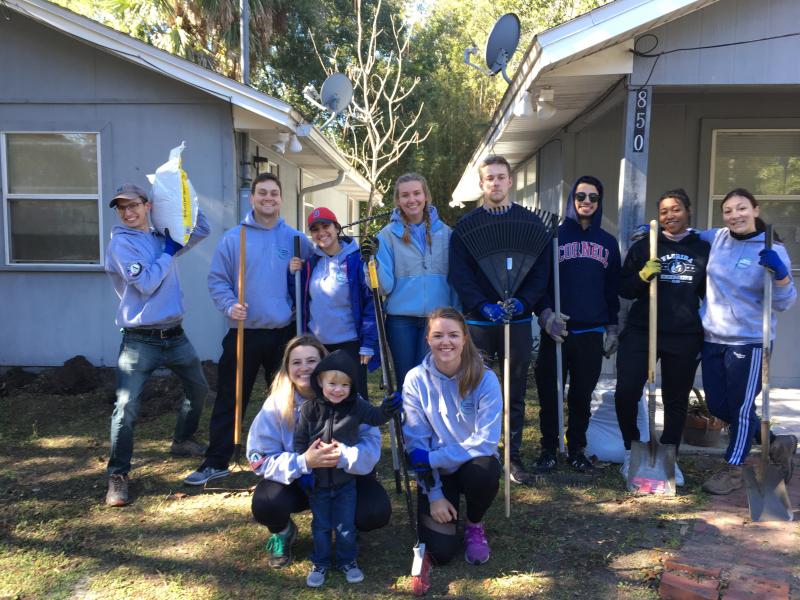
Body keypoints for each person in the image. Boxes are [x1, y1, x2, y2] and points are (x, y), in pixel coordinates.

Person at [185, 173, 312, 486]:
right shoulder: (234, 239)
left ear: (281, 199)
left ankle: (291, 457)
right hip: (245, 332)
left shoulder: (296, 240)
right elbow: (217, 280)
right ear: (252, 198)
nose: (268, 198)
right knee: (231, 397)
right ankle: (217, 460)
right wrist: (230, 305)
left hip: (284, 333)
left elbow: (319, 268)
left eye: (274, 193)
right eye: (262, 193)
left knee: (288, 398)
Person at [104, 182, 210, 507]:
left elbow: (202, 229)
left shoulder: (161, 236)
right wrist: (167, 251)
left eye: (133, 205)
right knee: (126, 408)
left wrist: (183, 193)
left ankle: (182, 440)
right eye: (122, 208)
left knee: (199, 389)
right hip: (140, 340)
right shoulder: (121, 245)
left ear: (147, 206)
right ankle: (118, 475)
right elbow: (147, 283)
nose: (128, 212)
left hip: (174, 335)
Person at [247, 336, 392, 571]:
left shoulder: (349, 398)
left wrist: (344, 456)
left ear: (325, 366)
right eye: (296, 362)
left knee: (375, 511)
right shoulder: (275, 405)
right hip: (301, 482)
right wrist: (303, 462)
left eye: (312, 361)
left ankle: (347, 529)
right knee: (267, 503)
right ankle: (282, 532)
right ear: (287, 368)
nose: (304, 367)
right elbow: (260, 459)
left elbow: (372, 444)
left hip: (345, 480)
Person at [448, 154, 551, 484]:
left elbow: (541, 272)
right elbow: (459, 274)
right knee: (475, 388)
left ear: (510, 181)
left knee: (514, 389)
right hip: (479, 323)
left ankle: (512, 456)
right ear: (482, 184)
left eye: (500, 177)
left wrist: (524, 302)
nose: (495, 182)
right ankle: (481, 453)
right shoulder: (467, 227)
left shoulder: (530, 224)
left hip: (516, 323)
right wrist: (481, 305)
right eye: (489, 178)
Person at [699, 188, 797, 495]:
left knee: (741, 408)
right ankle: (778, 443)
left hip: (750, 341)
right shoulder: (718, 238)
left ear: (755, 210)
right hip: (713, 337)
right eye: (728, 210)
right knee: (718, 405)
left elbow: (784, 302)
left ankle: (733, 469)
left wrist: (781, 274)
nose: (735, 215)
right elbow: (691, 234)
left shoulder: (772, 248)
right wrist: (665, 232)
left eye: (741, 208)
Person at [403, 307, 502, 596]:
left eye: (453, 335)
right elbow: (416, 444)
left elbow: (486, 442)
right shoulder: (415, 379)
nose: (445, 342)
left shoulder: (485, 378)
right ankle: (444, 505)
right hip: (436, 474)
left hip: (472, 465)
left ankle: (474, 523)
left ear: (465, 338)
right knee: (441, 553)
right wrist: (434, 495)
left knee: (486, 470)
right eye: (438, 335)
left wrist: (434, 458)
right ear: (427, 339)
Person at [615, 189, 710, 486]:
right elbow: (624, 288)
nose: (670, 215)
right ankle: (632, 450)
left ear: (688, 211)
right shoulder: (646, 246)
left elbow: (710, 293)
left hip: (684, 335)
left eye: (676, 209)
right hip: (642, 330)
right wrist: (642, 276)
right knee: (626, 392)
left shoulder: (702, 249)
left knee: (675, 399)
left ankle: (669, 456)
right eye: (665, 211)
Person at [533, 176, 621, 473]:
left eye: (593, 197)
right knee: (550, 393)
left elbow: (611, 290)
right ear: (572, 199)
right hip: (558, 332)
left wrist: (612, 328)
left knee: (582, 396)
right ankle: (548, 448)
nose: (586, 202)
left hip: (590, 333)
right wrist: (546, 316)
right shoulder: (553, 238)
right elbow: (539, 284)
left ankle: (576, 449)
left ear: (599, 202)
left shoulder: (608, 243)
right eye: (581, 196)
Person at [293, 349, 402, 588]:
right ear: (320, 381)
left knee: (345, 525)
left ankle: (347, 560)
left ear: (352, 386)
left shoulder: (356, 406)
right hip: (318, 483)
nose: (338, 390)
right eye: (332, 383)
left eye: (345, 385)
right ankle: (320, 562)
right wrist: (304, 470)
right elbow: (300, 441)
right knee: (321, 525)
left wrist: (388, 408)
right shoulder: (309, 409)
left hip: (346, 482)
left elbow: (375, 417)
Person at [360, 173, 459, 387]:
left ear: (426, 196)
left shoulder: (447, 234)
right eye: (405, 195)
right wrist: (370, 263)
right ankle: (406, 410)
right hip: (400, 321)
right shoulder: (387, 236)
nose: (411, 199)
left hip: (437, 318)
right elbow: (383, 287)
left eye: (416, 193)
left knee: (432, 378)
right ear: (398, 200)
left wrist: (457, 314)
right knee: (407, 379)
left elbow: (456, 280)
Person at [289, 207, 377, 398]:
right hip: (318, 346)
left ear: (337, 228)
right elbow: (298, 297)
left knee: (353, 398)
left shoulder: (356, 260)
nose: (321, 232)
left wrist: (368, 342)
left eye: (326, 226)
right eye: (315, 229)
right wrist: (293, 273)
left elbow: (370, 303)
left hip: (350, 344)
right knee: (321, 399)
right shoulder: (311, 263)